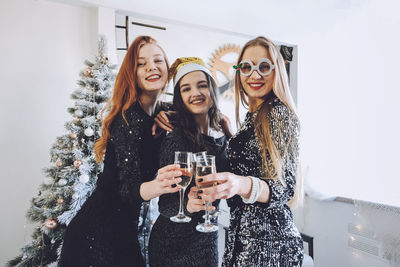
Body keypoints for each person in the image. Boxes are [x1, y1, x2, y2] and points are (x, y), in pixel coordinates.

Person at [58, 36, 183, 267]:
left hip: (123, 229)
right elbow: (127, 190)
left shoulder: (162, 111)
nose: (152, 67)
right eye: (141, 63)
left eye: (158, 60)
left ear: (167, 67)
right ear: (131, 73)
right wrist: (163, 185)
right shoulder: (128, 120)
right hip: (96, 233)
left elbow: (192, 110)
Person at [191, 36, 304, 267]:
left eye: (264, 66)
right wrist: (230, 134)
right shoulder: (253, 117)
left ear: (277, 70)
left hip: (271, 245)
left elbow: (285, 187)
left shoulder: (278, 113)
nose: (254, 75)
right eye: (246, 67)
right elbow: (255, 164)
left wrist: (239, 184)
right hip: (243, 238)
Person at [148, 57, 229, 267]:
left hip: (207, 240)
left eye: (202, 85)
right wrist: (188, 205)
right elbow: (165, 205)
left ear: (212, 89)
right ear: (179, 97)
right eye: (186, 89)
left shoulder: (223, 133)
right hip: (172, 245)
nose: (196, 93)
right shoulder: (176, 136)